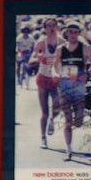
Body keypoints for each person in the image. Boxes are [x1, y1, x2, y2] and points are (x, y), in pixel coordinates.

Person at [56, 21, 91, 162]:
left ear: (79, 34)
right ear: (66, 33)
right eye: (70, 32)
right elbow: (56, 65)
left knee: (78, 122)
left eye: (75, 32)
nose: (72, 35)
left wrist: (87, 74)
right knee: (68, 122)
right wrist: (58, 74)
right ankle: (68, 151)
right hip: (65, 87)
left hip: (78, 87)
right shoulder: (61, 48)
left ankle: (77, 120)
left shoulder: (86, 48)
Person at [27, 17, 63, 150]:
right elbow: (31, 59)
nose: (52, 28)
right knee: (45, 112)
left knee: (58, 107)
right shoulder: (42, 42)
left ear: (57, 27)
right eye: (49, 26)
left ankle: (52, 121)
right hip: (43, 79)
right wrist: (38, 59)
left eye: (54, 25)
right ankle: (43, 138)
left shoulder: (62, 42)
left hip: (55, 79)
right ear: (45, 29)